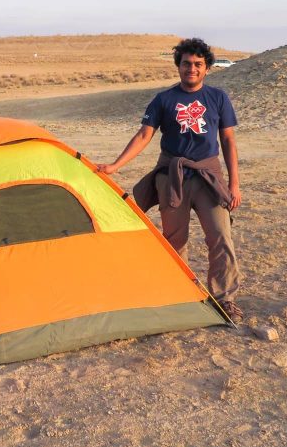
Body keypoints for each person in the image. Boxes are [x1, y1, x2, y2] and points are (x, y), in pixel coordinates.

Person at [97, 38, 245, 323]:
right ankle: (182, 295)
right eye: (187, 64)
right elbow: (143, 135)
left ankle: (225, 298)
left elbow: (228, 140)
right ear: (178, 66)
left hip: (209, 177)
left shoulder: (218, 98)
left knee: (221, 237)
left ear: (207, 68)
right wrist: (116, 165)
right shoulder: (163, 100)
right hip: (172, 177)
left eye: (198, 65)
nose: (192, 69)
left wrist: (234, 185)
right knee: (174, 240)